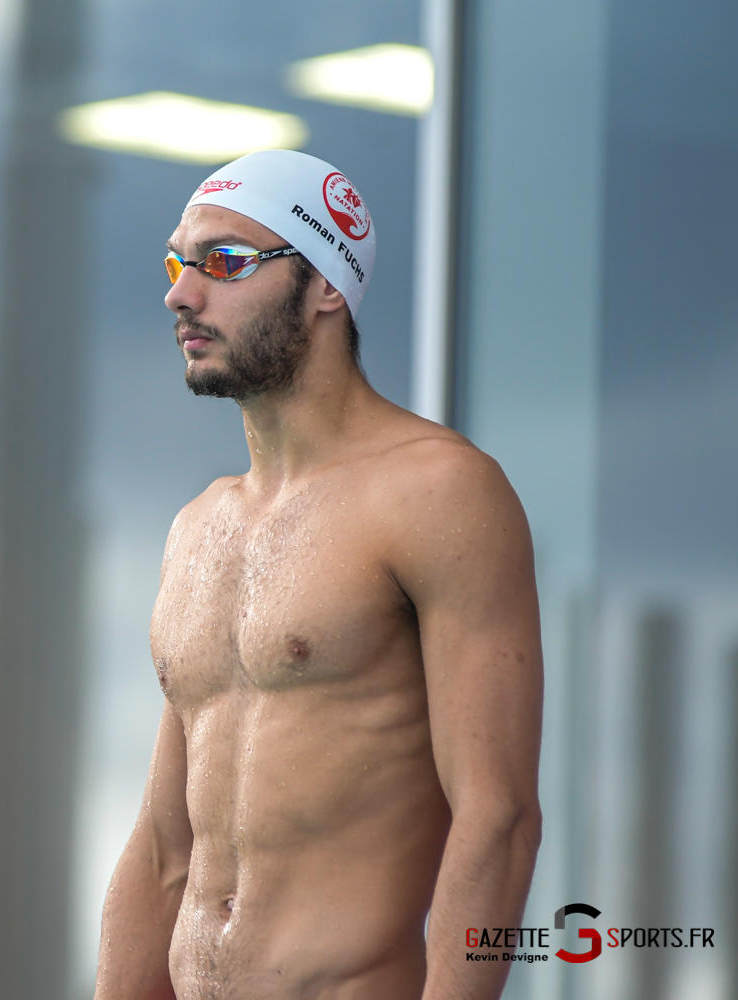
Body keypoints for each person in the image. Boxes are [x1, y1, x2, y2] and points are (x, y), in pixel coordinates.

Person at [93, 150, 544, 1000]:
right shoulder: (199, 527)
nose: (182, 294)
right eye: (177, 263)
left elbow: (499, 818)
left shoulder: (437, 491)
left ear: (326, 285)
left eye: (225, 262)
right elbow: (163, 850)